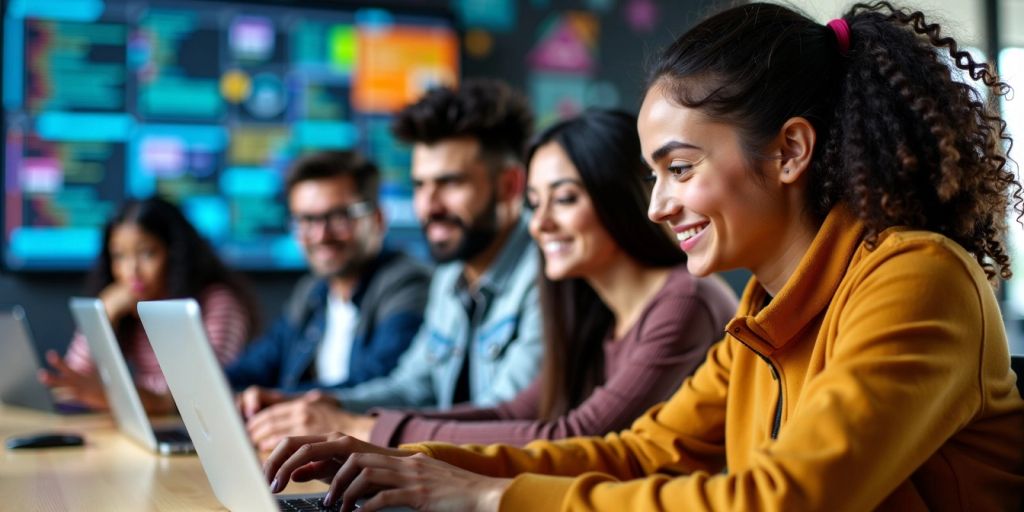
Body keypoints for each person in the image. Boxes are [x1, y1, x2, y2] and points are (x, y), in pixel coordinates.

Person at [262, 2, 1024, 510]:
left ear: (791, 151)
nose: (657, 206)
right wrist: (429, 476)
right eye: (653, 175)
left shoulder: (916, 276)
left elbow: (787, 498)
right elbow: (639, 453)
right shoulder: (763, 317)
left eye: (680, 168)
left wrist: (489, 499)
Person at [304, 110, 738, 448]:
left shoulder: (685, 301)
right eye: (535, 202)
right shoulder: (591, 308)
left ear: (617, 198)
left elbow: (579, 435)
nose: (540, 224)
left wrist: (373, 431)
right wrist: (363, 425)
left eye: (564, 199)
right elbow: (517, 412)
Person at [242, 79, 545, 451]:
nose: (428, 207)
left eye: (449, 183)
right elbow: (414, 386)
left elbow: (504, 418)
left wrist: (352, 424)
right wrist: (319, 406)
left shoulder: (547, 273)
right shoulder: (450, 274)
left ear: (511, 185)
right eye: (420, 186)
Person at [225, 151, 431, 397]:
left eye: (339, 217)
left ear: (377, 219)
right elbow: (254, 367)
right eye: (307, 220)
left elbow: (381, 382)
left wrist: (281, 401)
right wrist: (183, 395)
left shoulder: (407, 284)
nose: (321, 236)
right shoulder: (312, 291)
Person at [39, 196, 260, 414]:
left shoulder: (217, 302)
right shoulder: (129, 306)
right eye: (119, 256)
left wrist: (113, 394)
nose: (131, 270)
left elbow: (203, 392)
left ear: (175, 254)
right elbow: (73, 383)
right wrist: (104, 315)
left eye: (147, 253)